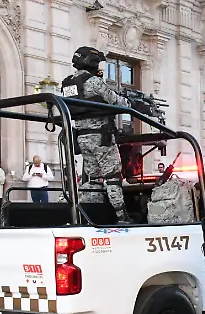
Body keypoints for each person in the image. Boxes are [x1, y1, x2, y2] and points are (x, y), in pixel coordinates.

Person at [61, 46, 149, 223]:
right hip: (101, 137)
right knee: (112, 177)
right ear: (91, 62)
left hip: (82, 137)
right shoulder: (93, 81)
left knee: (93, 179)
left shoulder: (67, 83)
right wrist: (134, 104)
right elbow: (117, 101)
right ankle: (121, 216)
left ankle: (90, 213)